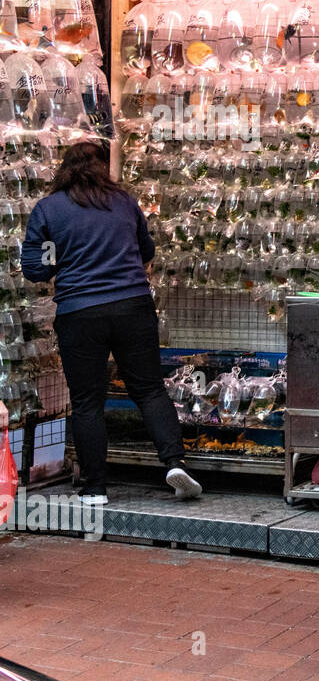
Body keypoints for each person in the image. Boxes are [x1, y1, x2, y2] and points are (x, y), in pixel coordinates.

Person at [20, 142, 201, 505]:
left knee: (87, 402)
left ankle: (94, 487)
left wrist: (65, 263)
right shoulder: (124, 202)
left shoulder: (48, 210)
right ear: (103, 168)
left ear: (63, 169)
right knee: (149, 389)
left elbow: (34, 268)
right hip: (133, 307)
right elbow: (146, 251)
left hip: (79, 312)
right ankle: (174, 462)